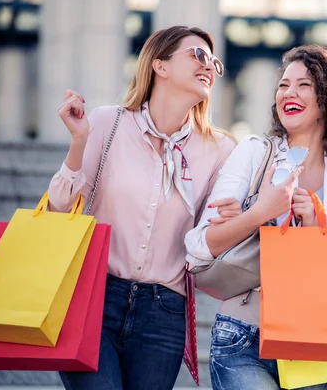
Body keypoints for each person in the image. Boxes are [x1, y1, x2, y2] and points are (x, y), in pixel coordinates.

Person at [185, 44, 327, 390]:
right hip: (243, 334)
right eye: (283, 85)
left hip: (319, 340)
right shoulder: (254, 152)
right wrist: (258, 213)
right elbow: (198, 248)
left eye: (303, 85)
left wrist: (317, 228)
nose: (289, 93)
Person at [48, 26, 236, 390]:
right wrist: (78, 141)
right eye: (198, 55)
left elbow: (207, 236)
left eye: (214, 61)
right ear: (160, 66)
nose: (209, 66)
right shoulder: (107, 123)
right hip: (93, 297)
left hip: (163, 311)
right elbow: (59, 210)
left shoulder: (219, 150)